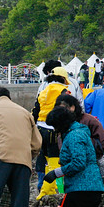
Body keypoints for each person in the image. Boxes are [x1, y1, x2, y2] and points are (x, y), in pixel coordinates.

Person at [22, 107, 104, 207]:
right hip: (93, 190)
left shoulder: (74, 136)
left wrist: (56, 173)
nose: (54, 130)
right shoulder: (80, 132)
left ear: (61, 124)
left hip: (80, 189)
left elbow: (78, 163)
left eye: (55, 126)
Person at [32, 67, 70, 198]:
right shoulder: (63, 91)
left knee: (46, 161)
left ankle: (51, 190)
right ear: (63, 78)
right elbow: (64, 113)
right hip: (54, 131)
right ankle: (43, 193)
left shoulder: (43, 91)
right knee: (54, 163)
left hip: (40, 129)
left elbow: (35, 111)